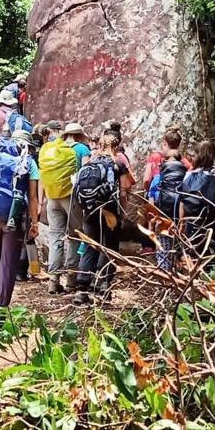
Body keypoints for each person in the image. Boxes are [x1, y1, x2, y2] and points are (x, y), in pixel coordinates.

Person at [0, 129, 40, 318]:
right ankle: (1, 307)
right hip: (13, 218)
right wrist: (34, 223)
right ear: (27, 146)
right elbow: (33, 196)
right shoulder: (29, 163)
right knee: (8, 262)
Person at [73, 130, 135, 305]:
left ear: (100, 145)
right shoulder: (117, 164)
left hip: (90, 209)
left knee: (91, 246)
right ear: (115, 147)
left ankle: (82, 289)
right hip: (109, 210)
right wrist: (122, 211)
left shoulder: (90, 162)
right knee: (110, 246)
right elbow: (124, 190)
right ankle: (104, 285)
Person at [40, 122, 91, 294]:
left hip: (52, 197)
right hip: (71, 198)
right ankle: (71, 279)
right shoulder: (82, 150)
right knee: (75, 236)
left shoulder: (53, 148)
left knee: (55, 235)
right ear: (79, 135)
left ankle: (53, 280)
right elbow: (85, 176)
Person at [177, 139, 215, 267]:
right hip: (213, 224)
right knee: (211, 257)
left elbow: (182, 201)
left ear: (197, 155)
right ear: (213, 155)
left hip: (192, 224)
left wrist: (181, 224)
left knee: (193, 256)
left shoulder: (188, 175)